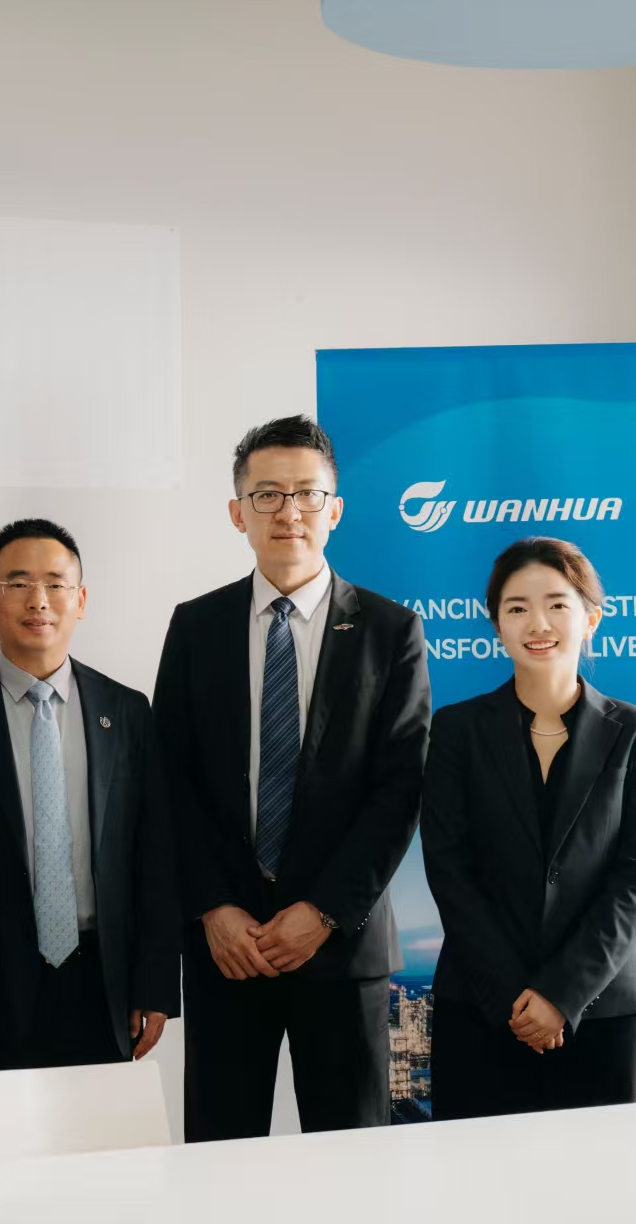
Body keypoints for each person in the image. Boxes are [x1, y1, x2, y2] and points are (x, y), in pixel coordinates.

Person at [154, 414, 430, 1140]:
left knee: (351, 1165)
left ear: (335, 509)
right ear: (237, 511)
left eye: (308, 493)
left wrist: (324, 910)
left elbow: (400, 789)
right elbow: (171, 780)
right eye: (268, 494)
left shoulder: (390, 631)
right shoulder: (196, 626)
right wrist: (213, 907)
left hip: (341, 949)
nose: (289, 512)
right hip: (227, 949)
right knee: (219, 1157)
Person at [423, 537, 636, 1118]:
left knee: (604, 1175)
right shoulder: (456, 731)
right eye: (517, 608)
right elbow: (449, 868)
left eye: (557, 604)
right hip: (481, 1008)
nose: (538, 623)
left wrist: (562, 994)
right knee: (477, 1173)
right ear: (496, 625)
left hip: (603, 1010)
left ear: (591, 618)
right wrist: (513, 994)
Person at [0, 519, 178, 1070]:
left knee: (105, 1126)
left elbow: (155, 855)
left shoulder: (126, 711)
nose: (38, 600)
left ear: (81, 600)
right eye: (18, 583)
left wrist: (157, 981)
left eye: (55, 583)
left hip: (104, 979)